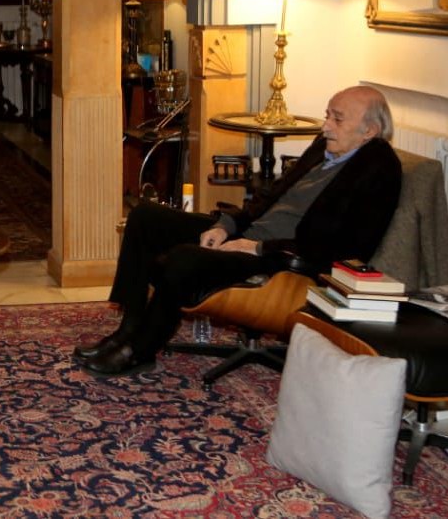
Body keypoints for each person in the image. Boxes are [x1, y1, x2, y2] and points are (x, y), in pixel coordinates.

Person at [77, 86, 402, 375]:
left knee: (183, 259)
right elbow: (269, 196)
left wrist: (257, 248)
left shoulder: (378, 170)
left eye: (337, 119)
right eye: (327, 115)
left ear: (369, 130)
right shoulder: (324, 149)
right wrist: (226, 225)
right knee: (146, 217)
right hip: (250, 238)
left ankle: (140, 350)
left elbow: (341, 248)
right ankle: (127, 330)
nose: (326, 125)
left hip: (280, 260)